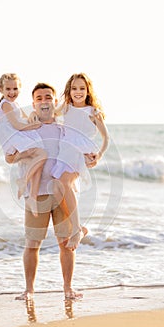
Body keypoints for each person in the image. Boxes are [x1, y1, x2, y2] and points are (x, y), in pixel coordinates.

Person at [6, 82, 96, 301]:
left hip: (63, 192)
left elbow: (81, 152)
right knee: (32, 244)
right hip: (35, 194)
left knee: (66, 244)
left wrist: (90, 159)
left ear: (55, 102)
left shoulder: (66, 129)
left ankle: (68, 288)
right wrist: (23, 155)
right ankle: (29, 290)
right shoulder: (26, 130)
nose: (44, 101)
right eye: (39, 98)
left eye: (48, 97)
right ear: (34, 104)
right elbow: (9, 158)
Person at [51, 73, 109, 250]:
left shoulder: (93, 112)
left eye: (82, 88)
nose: (78, 92)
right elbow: (49, 113)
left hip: (80, 152)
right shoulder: (66, 108)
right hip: (65, 152)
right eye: (74, 88)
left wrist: (98, 155)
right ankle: (80, 228)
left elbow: (106, 138)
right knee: (59, 186)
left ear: (87, 90)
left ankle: (76, 229)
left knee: (64, 183)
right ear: (69, 90)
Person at [0, 73, 47, 216]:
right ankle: (23, 181)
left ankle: (32, 197)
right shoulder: (5, 105)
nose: (12, 92)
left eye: (15, 89)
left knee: (37, 162)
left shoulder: (14, 104)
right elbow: (17, 125)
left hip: (17, 136)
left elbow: (24, 117)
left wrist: (33, 115)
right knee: (42, 154)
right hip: (12, 138)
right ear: (1, 90)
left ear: (20, 89)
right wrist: (35, 126)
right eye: (8, 89)